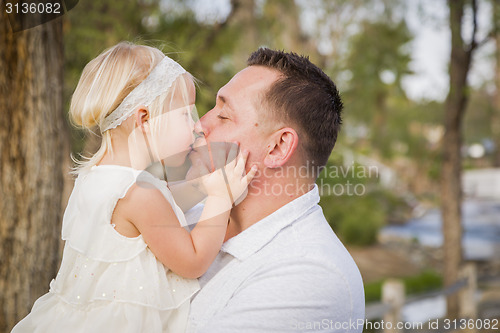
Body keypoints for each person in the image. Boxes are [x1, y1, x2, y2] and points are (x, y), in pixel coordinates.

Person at [11, 42, 256, 333]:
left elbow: (165, 211)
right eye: (184, 115)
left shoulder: (98, 174)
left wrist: (201, 187)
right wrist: (220, 197)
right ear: (145, 120)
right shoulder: (139, 193)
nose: (196, 126)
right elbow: (192, 261)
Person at [186, 48, 365, 332]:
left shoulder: (312, 275)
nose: (199, 125)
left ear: (278, 147)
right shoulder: (187, 214)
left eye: (223, 116)